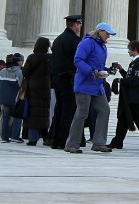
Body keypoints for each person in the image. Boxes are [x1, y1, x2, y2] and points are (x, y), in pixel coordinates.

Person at [64, 22, 116, 154]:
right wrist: (91, 72)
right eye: (107, 33)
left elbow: (98, 65)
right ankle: (72, 144)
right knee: (82, 113)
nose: (108, 36)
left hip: (97, 85)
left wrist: (108, 70)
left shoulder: (102, 47)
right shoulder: (87, 42)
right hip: (85, 84)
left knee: (105, 110)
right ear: (99, 32)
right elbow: (78, 60)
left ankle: (99, 142)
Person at [110, 40, 139, 150]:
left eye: (130, 49)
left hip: (134, 96)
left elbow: (136, 80)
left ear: (135, 49)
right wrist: (121, 70)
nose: (128, 51)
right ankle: (117, 142)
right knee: (123, 118)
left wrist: (121, 81)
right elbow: (129, 77)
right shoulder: (135, 63)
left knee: (138, 119)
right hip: (129, 96)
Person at [49, 14, 84, 149]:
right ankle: (64, 140)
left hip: (57, 78)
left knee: (59, 108)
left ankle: (55, 140)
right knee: (69, 109)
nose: (80, 27)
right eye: (79, 25)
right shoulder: (75, 41)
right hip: (68, 78)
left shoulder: (58, 39)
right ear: (75, 24)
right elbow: (77, 61)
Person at [22, 37, 52, 146]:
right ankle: (46, 137)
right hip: (46, 88)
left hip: (33, 88)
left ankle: (32, 138)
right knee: (44, 113)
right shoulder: (50, 58)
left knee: (33, 113)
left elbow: (25, 72)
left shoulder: (32, 58)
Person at [0, 53, 25, 143]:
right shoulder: (19, 72)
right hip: (15, 98)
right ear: (19, 61)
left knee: (5, 118)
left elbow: (0, 84)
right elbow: (21, 85)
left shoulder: (2, 71)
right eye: (22, 61)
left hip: (4, 98)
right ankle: (15, 136)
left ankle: (4, 137)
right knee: (17, 117)